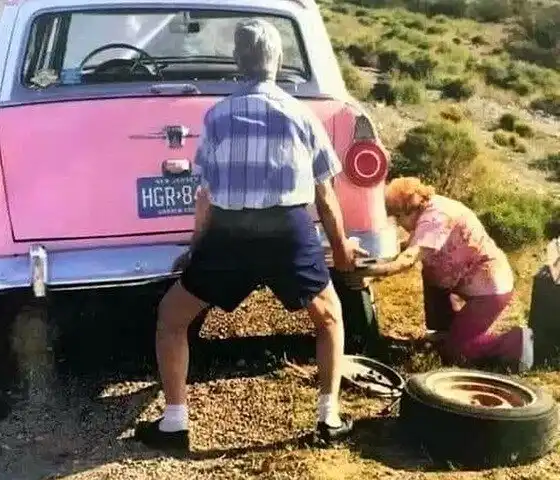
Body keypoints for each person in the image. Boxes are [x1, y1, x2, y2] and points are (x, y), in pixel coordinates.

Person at [131, 18, 366, 452]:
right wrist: (341, 249)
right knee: (330, 318)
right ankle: (329, 419)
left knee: (172, 318)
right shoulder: (302, 114)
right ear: (278, 60)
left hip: (229, 233)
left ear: (238, 61)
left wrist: (195, 250)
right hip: (287, 232)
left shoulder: (218, 115)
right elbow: (325, 194)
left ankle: (175, 423)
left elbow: (206, 195)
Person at [352, 177, 533, 372]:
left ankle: (515, 343)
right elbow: (407, 247)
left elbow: (408, 259)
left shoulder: (435, 218)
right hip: (467, 281)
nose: (398, 224)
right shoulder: (429, 208)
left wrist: (367, 272)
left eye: (398, 217)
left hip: (489, 289)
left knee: (459, 351)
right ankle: (447, 332)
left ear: (408, 209)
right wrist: (377, 262)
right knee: (432, 273)